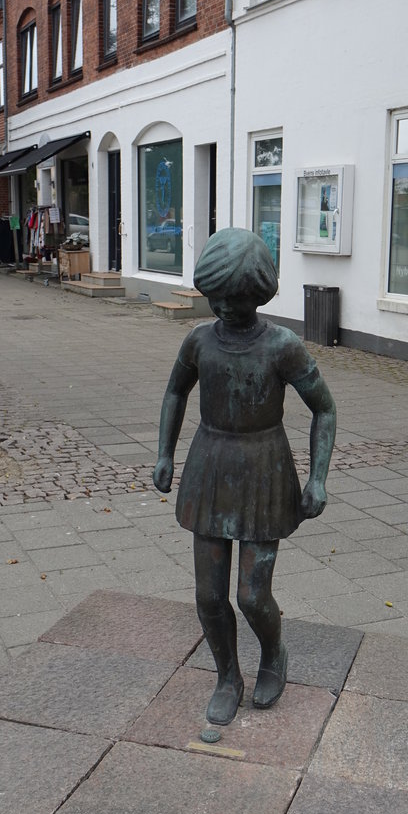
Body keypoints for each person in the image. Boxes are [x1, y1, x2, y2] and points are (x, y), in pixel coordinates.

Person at [153, 228, 336, 725]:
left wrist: (318, 477)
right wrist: (165, 452)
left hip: (264, 471)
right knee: (209, 596)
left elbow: (324, 409)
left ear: (259, 294)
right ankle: (227, 675)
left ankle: (273, 654)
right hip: (210, 465)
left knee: (252, 595)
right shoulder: (198, 341)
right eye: (216, 298)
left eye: (235, 299)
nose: (224, 308)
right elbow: (175, 393)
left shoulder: (282, 345)